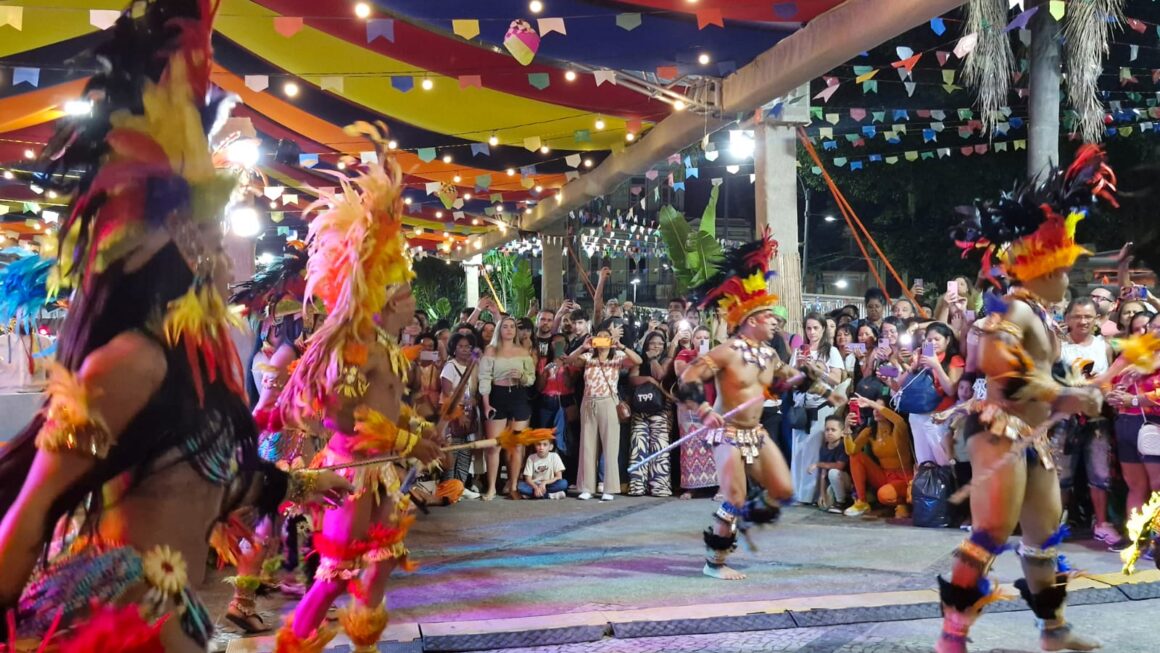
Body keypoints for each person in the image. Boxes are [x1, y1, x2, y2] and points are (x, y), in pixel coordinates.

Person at [0, 4, 351, 648]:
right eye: (215, 231)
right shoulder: (131, 362)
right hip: (126, 628)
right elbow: (28, 518)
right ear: (185, 243)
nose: (229, 252)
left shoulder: (203, 359)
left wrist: (300, 482)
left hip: (177, 620)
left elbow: (207, 480)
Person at [934, 145, 1117, 653]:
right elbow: (1000, 366)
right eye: (1061, 270)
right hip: (999, 432)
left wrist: (1079, 394)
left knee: (1044, 534)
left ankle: (1053, 630)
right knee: (990, 532)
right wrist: (1069, 394)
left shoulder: (1042, 315)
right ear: (1036, 268)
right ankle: (952, 636)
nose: (1067, 278)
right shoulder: (1012, 309)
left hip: (1033, 441)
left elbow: (1047, 379)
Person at [276, 125, 444, 651]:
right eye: (408, 289)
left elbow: (386, 407)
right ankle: (295, 643)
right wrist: (405, 442)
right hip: (352, 472)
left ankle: (364, 645)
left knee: (381, 563)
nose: (415, 297)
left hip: (380, 475)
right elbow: (340, 420)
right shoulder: (357, 348)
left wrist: (418, 428)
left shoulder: (389, 348)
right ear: (390, 298)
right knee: (334, 576)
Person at [678, 233, 801, 580]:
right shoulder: (727, 351)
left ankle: (735, 522)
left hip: (756, 433)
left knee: (784, 491)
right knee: (734, 496)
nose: (776, 320)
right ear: (751, 319)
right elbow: (686, 379)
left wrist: (820, 382)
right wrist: (704, 410)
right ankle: (714, 563)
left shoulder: (770, 353)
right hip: (728, 432)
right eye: (769, 316)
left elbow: (787, 378)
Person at [1054, 297, 1117, 546]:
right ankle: (1055, 523)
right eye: (1077, 316)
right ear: (1067, 318)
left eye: (1088, 317)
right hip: (1063, 419)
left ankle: (1101, 523)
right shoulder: (1058, 347)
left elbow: (1111, 381)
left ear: (1096, 319)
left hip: (1097, 419)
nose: (1082, 321)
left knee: (1100, 474)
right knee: (1060, 476)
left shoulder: (1105, 346)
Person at [564, 326, 642, 501]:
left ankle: (610, 487)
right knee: (587, 445)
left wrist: (620, 346)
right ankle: (587, 487)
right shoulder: (588, 356)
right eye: (599, 337)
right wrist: (583, 346)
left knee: (610, 446)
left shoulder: (618, 357)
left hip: (608, 401)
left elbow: (638, 361)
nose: (602, 340)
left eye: (606, 337)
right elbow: (569, 361)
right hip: (588, 401)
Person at [788, 313, 844, 504]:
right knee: (799, 452)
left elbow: (837, 379)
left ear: (823, 329)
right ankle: (796, 493)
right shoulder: (798, 351)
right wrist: (798, 369)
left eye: (816, 328)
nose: (812, 332)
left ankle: (811, 495)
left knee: (813, 451)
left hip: (821, 406)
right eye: (808, 328)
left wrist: (819, 371)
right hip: (801, 406)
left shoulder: (832, 352)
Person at [479, 316, 536, 500]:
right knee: (494, 445)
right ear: (499, 329)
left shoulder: (523, 350)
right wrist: (486, 403)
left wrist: (522, 376)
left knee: (517, 446)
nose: (509, 330)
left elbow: (531, 378)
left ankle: (513, 486)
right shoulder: (491, 350)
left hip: (519, 396)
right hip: (497, 395)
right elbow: (485, 377)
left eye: (512, 326)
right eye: (505, 326)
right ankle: (491, 488)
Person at [897, 322, 964, 467]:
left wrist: (936, 366)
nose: (932, 343)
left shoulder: (954, 360)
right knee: (924, 462)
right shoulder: (920, 358)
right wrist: (913, 367)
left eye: (937, 339)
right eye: (928, 339)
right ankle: (927, 486)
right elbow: (899, 385)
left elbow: (951, 390)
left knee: (943, 462)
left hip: (939, 418)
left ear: (947, 340)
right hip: (917, 416)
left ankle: (946, 488)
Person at [843, 396, 914, 518]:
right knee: (856, 457)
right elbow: (851, 451)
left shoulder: (898, 429)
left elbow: (899, 421)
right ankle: (862, 502)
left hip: (904, 478)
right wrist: (846, 428)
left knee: (883, 495)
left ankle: (902, 503)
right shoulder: (870, 431)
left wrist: (871, 402)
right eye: (873, 408)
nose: (875, 410)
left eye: (879, 407)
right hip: (884, 476)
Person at [674, 326, 720, 498]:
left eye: (705, 337)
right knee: (690, 447)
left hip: (711, 404)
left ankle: (718, 486)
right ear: (692, 339)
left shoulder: (715, 356)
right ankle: (692, 487)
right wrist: (699, 360)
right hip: (690, 407)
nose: (701, 340)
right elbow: (681, 372)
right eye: (698, 337)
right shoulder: (685, 354)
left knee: (714, 446)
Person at [628, 331, 674, 497]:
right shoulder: (638, 359)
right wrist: (649, 380)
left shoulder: (667, 360)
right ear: (646, 344)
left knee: (659, 447)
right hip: (640, 409)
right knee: (638, 447)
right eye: (653, 343)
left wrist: (653, 360)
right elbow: (632, 379)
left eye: (660, 343)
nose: (657, 346)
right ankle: (637, 486)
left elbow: (661, 375)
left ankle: (659, 487)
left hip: (660, 410)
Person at [441, 332, 481, 498]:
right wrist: (458, 414)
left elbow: (476, 392)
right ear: (454, 348)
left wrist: (475, 401)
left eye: (468, 347)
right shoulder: (450, 366)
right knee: (452, 451)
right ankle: (447, 489)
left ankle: (460, 487)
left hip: (470, 413)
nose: (465, 350)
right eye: (461, 347)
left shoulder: (474, 366)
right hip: (453, 415)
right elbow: (447, 393)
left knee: (465, 452)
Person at [812, 416, 852, 514]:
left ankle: (841, 502)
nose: (829, 432)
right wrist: (821, 493)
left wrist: (818, 464)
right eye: (827, 430)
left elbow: (839, 466)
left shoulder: (843, 446)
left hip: (847, 481)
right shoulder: (824, 448)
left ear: (842, 432)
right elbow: (823, 473)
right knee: (824, 505)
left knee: (833, 473)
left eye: (833, 430)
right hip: (834, 483)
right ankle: (836, 500)